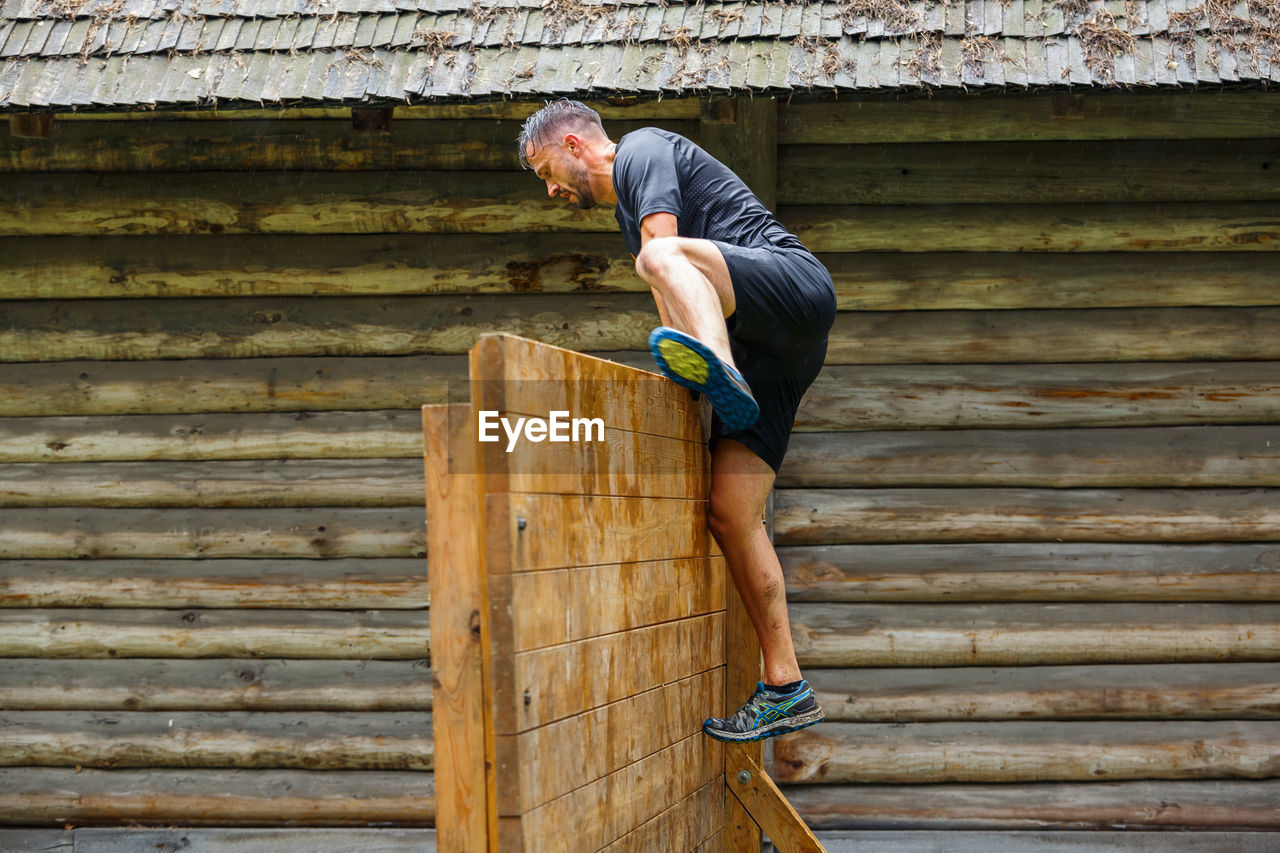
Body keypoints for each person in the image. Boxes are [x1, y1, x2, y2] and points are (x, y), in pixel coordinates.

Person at [518, 99, 835, 742]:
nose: (549, 188)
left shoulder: (642, 150)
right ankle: (786, 684)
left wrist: (705, 365)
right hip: (774, 351)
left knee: (655, 258)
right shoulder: (627, 213)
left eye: (544, 169)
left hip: (794, 289)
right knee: (730, 512)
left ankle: (720, 367)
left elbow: (665, 259)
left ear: (574, 145)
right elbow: (672, 295)